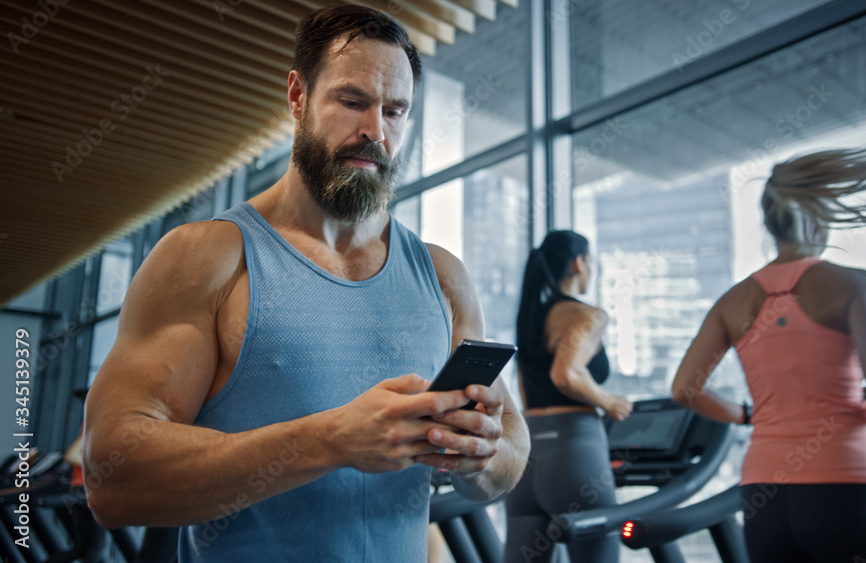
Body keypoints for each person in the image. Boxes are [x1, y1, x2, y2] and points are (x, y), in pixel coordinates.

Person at [81, 5, 529, 562]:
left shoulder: (442, 276)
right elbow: (112, 479)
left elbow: (510, 445)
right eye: (351, 101)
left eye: (395, 111)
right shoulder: (205, 258)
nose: (374, 131)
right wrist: (331, 440)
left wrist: (479, 454)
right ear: (298, 96)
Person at [671, 148, 866, 563]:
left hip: (764, 490)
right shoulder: (851, 284)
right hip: (846, 477)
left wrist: (747, 415)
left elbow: (684, 388)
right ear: (813, 218)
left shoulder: (731, 302)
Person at [504, 231, 633, 563]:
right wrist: (608, 401)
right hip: (575, 454)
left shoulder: (530, 317)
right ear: (579, 263)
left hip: (527, 459)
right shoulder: (588, 315)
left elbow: (524, 386)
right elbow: (566, 374)